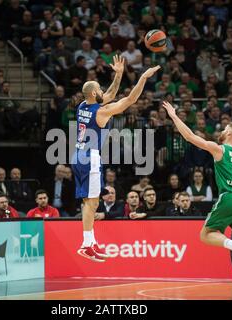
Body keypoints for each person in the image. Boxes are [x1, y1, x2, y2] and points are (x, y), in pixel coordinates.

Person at [162, 101, 232, 299]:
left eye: (225, 128)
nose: (221, 130)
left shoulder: (220, 149)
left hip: (229, 196)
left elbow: (189, 136)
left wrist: (174, 116)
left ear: (230, 133)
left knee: (205, 234)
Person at [71, 55, 160, 262]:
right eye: (99, 90)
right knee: (92, 203)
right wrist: (143, 78)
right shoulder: (101, 113)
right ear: (94, 93)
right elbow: (130, 100)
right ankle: (85, 244)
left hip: (78, 155)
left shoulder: (83, 106)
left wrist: (119, 74)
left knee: (89, 201)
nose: (103, 91)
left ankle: (90, 242)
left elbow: (109, 94)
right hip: (90, 157)